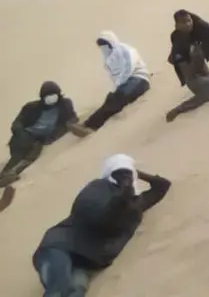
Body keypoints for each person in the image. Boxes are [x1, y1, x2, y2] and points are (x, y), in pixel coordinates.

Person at [32, 154, 171, 297]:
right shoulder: (96, 188)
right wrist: (121, 195)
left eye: (128, 174)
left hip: (86, 261)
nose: (125, 177)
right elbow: (99, 219)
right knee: (59, 289)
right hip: (59, 246)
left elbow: (162, 186)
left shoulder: (135, 204)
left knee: (76, 291)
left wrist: (134, 172)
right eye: (119, 173)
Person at [1, 82, 90, 186]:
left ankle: (12, 174)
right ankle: (4, 176)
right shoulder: (31, 107)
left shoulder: (65, 104)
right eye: (48, 95)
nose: (51, 98)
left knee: (31, 156)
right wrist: (21, 134)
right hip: (24, 137)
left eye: (54, 94)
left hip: (43, 138)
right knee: (19, 155)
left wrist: (70, 125)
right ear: (42, 97)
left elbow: (73, 117)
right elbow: (16, 124)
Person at [83, 32, 151, 131]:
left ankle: (92, 125)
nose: (103, 47)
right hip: (125, 84)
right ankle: (90, 124)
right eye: (101, 45)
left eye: (104, 44)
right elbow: (113, 75)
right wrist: (119, 84)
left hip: (139, 79)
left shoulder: (126, 50)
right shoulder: (108, 59)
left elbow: (129, 68)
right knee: (112, 98)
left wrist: (119, 83)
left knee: (118, 97)